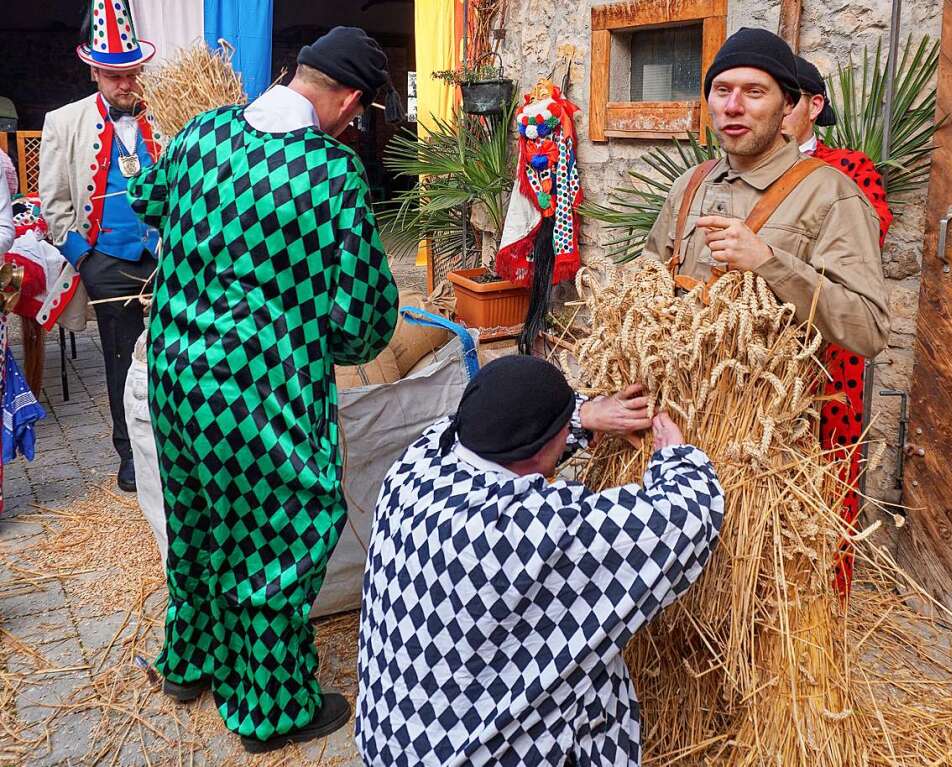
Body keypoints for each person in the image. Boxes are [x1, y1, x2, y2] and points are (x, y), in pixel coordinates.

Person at [127, 27, 399, 753]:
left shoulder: (203, 132)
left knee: (196, 518)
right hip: (261, 387)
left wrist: (208, 246)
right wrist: (310, 330)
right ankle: (271, 705)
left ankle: (190, 661)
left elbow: (147, 197)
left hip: (175, 371)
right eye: (357, 112)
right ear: (347, 98)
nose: (351, 124)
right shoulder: (331, 174)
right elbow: (366, 323)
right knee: (283, 530)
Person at [357, 355, 725, 766]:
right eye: (563, 427)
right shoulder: (525, 532)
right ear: (539, 446)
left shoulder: (416, 464)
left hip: (394, 739)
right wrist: (674, 455)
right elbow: (687, 516)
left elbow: (481, 429)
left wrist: (582, 415)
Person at [642, 27, 890, 360]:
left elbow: (868, 330)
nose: (733, 106)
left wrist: (768, 262)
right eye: (721, 90)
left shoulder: (831, 194)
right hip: (670, 405)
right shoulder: (690, 184)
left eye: (754, 92)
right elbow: (644, 290)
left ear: (787, 103)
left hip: (762, 409)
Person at [782, 54, 895, 594]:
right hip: (754, 354)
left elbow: (863, 246)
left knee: (831, 470)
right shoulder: (727, 173)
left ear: (812, 106)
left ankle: (825, 602)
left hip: (829, 353)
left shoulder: (849, 171)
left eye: (787, 96)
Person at [39, 0, 162, 492]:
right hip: (106, 261)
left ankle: (171, 450)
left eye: (131, 72)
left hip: (167, 258)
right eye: (113, 74)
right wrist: (83, 258)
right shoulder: (63, 121)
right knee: (119, 361)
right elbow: (53, 201)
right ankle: (129, 454)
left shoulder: (167, 115)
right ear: (93, 71)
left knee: (173, 358)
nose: (125, 83)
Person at [782, 56, 894, 242]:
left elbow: (869, 236)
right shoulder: (733, 168)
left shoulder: (850, 166)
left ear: (815, 106)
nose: (775, 110)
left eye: (788, 100)